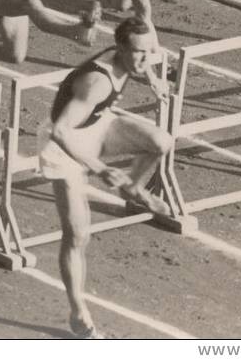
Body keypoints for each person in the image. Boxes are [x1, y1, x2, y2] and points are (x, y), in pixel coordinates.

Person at [38, 17, 172, 338]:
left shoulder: (129, 56)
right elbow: (59, 131)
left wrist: (152, 78)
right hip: (63, 145)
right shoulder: (97, 83)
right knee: (77, 235)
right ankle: (78, 311)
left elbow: (144, 59)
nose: (144, 59)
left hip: (97, 126)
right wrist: (100, 169)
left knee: (161, 142)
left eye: (147, 53)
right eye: (139, 54)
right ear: (121, 48)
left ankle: (131, 189)